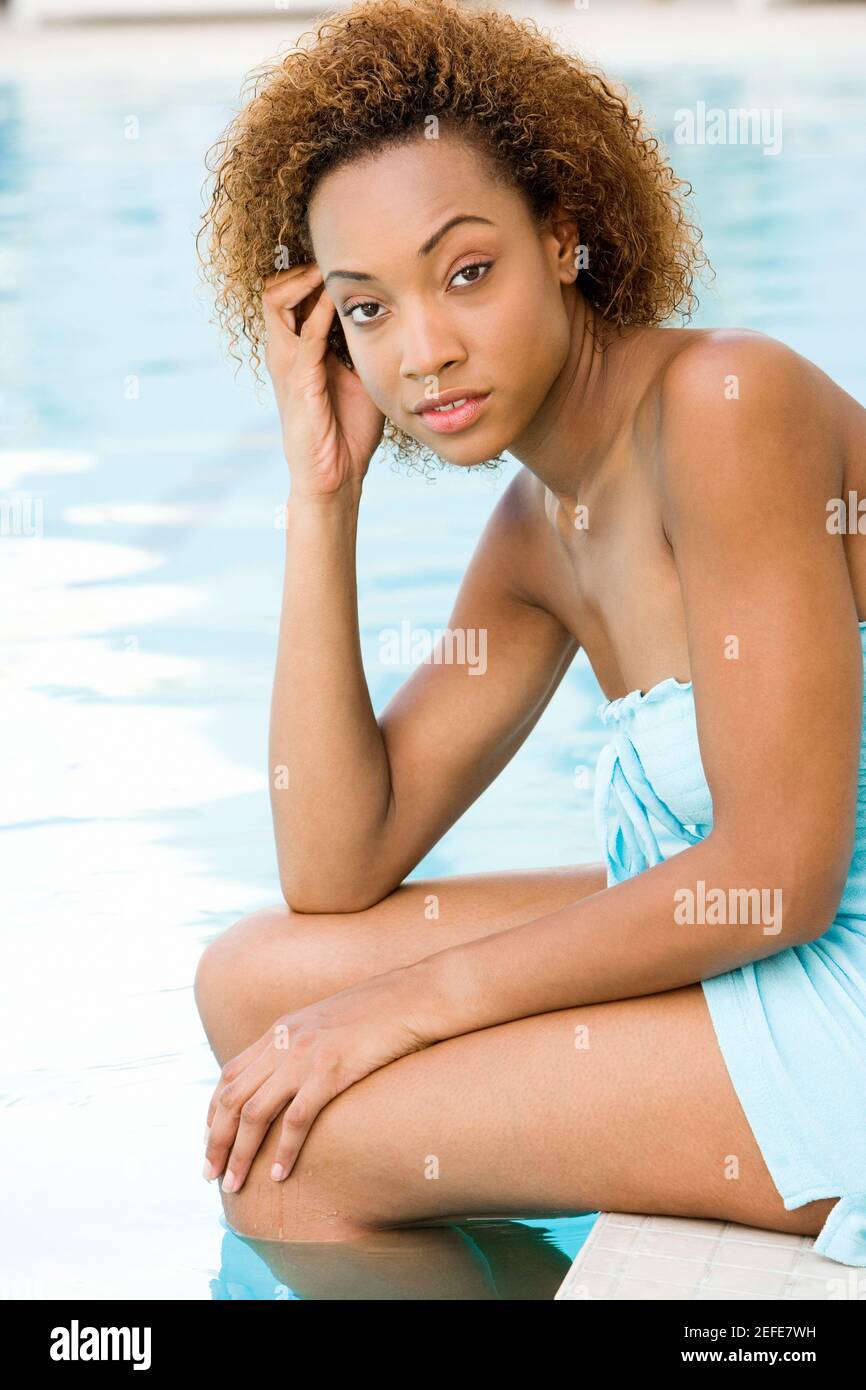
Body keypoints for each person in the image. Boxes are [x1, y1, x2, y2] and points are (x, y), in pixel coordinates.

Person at [193, 0, 866, 1277]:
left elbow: (779, 874)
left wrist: (396, 1014)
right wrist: (321, 497)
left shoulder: (726, 404)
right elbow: (334, 868)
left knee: (298, 1169)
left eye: (464, 272)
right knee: (253, 983)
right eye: (368, 309)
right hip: (767, 964)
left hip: (839, 989)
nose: (424, 352)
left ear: (563, 235)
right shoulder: (537, 528)